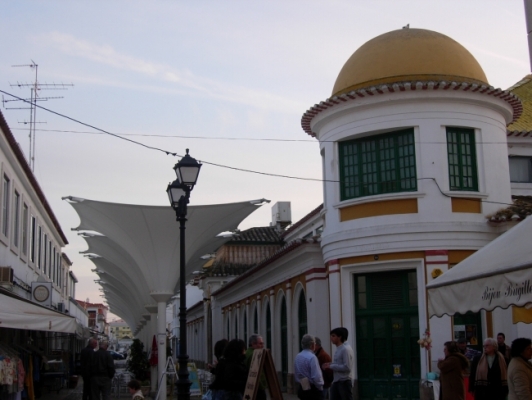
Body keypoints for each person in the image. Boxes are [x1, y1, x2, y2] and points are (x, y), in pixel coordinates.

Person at [322, 327, 354, 400]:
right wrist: (329, 364)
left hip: (344, 381)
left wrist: (331, 366)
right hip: (337, 380)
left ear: (339, 337)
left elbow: (347, 367)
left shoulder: (345, 349)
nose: (331, 338)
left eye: (333, 336)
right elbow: (338, 363)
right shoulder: (339, 349)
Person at [294, 334, 324, 400]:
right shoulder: (312, 357)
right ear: (312, 345)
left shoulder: (298, 356)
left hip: (302, 387)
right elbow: (316, 376)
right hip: (313, 390)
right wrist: (320, 386)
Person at [245, 334, 267, 400]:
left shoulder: (247, 352)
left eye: (262, 344)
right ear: (253, 344)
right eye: (260, 344)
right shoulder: (254, 355)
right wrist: (262, 385)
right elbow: (256, 372)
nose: (262, 346)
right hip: (257, 387)